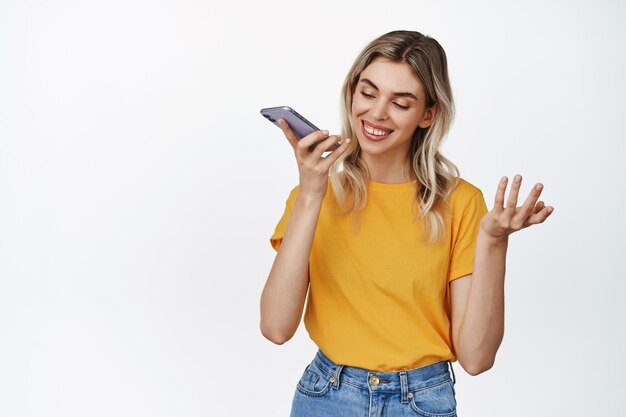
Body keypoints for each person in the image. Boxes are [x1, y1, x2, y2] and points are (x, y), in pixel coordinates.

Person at [259, 30, 554, 417]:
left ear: (428, 114)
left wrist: (494, 241)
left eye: (400, 103)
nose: (377, 113)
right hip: (327, 396)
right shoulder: (313, 195)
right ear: (351, 94)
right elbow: (276, 328)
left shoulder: (462, 203)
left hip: (421, 401)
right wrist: (311, 193)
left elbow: (476, 359)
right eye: (368, 93)